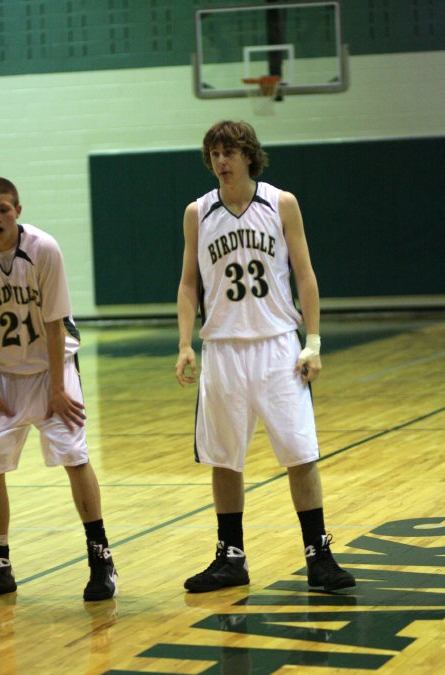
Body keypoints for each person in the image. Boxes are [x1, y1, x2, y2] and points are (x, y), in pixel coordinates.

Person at [175, 121, 355, 593]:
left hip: (277, 345)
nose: (221, 160)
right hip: (223, 349)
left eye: (229, 151)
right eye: (214, 152)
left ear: (249, 155)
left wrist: (312, 342)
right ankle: (230, 557)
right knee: (224, 458)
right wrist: (183, 344)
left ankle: (318, 554)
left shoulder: (281, 203)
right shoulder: (198, 211)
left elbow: (306, 275)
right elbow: (189, 283)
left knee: (300, 453)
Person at [0, 177, 117, 601]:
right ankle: (0, 562)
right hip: (2, 372)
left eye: (3, 209)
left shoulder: (43, 248)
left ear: (18, 210)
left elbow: (53, 321)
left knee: (74, 456)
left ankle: (101, 559)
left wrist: (56, 388)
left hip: (53, 366)